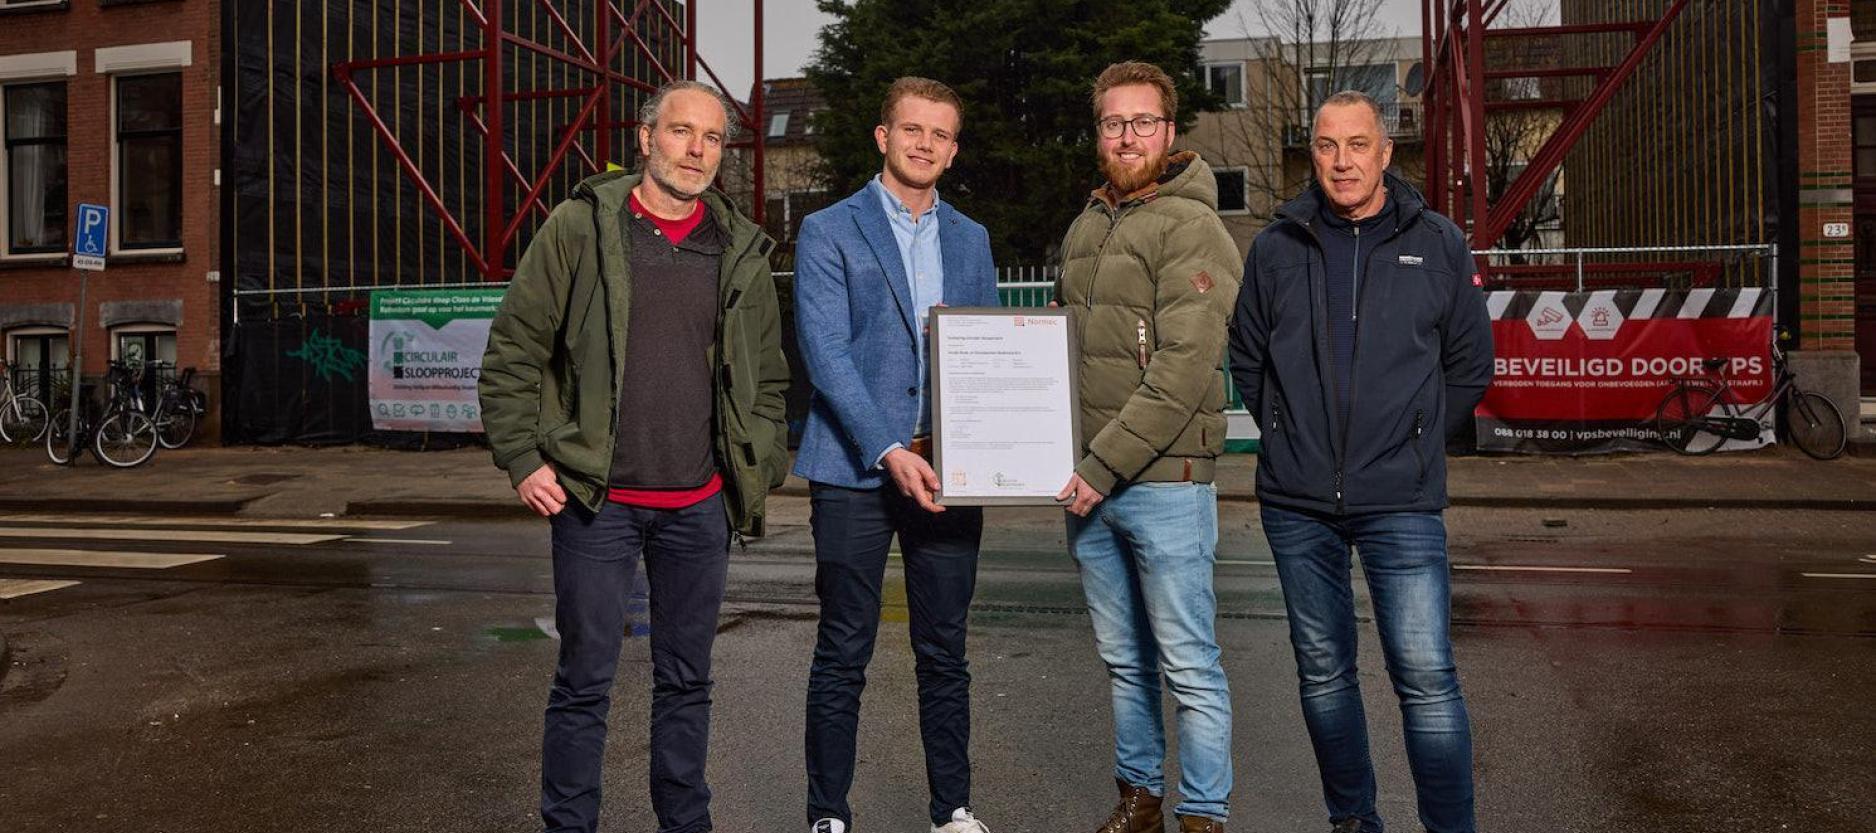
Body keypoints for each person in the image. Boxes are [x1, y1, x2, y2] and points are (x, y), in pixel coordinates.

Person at [478, 79, 791, 833]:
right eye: (683, 132)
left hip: (698, 505)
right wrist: (524, 457)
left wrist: (760, 464)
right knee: (584, 681)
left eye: (713, 138)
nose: (697, 151)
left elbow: (770, 377)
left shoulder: (737, 246)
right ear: (647, 138)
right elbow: (514, 351)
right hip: (598, 502)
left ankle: (685, 823)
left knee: (688, 683)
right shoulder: (581, 228)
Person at [1227, 90, 1494, 833]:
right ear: (1311, 154)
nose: (1341, 160)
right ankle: (1354, 820)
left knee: (1427, 677)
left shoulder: (1437, 243)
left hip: (1400, 499)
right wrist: (1286, 433)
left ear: (1384, 153)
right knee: (1323, 673)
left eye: (1356, 144)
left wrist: (1411, 439)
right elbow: (1248, 356)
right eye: (1325, 145)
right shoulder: (1277, 246)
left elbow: (1470, 364)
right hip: (1296, 500)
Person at [792, 76, 999, 833]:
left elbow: (983, 351)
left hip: (949, 469)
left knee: (945, 650)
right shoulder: (828, 228)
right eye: (912, 130)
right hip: (853, 468)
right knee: (843, 648)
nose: (925, 144)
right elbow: (826, 352)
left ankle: (951, 808)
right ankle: (828, 814)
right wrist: (885, 448)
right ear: (884, 136)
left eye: (940, 134)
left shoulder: (971, 238)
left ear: (953, 149)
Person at [1053, 61, 1240, 833]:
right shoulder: (1088, 224)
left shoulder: (1194, 226)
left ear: (1170, 131)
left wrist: (1097, 466)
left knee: (1189, 664)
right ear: (1099, 131)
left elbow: (1182, 368)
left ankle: (1202, 812)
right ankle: (1140, 800)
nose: (1127, 137)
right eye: (1113, 123)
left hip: (1162, 483)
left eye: (1143, 123)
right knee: (1125, 662)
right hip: (1089, 485)